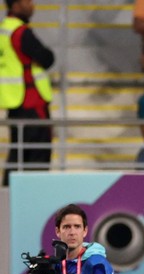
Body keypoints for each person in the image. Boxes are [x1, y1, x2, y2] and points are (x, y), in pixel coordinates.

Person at [0, 0, 54, 186]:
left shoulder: (4, 29)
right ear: (15, 5)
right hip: (32, 102)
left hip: (14, 102)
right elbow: (47, 58)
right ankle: (32, 195)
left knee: (18, 154)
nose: (32, 5)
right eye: (27, 1)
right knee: (37, 155)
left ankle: (7, 196)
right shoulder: (21, 32)